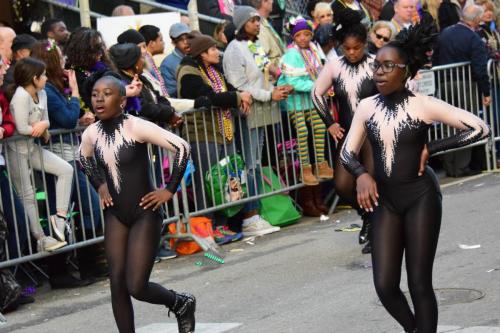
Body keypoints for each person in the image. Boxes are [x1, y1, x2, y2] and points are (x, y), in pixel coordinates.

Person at [339, 22, 489, 332]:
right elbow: (346, 153)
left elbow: (480, 128)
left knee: (419, 283)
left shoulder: (424, 105)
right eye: (376, 65)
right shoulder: (366, 107)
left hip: (421, 197)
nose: (378, 72)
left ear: (406, 71)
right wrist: (362, 175)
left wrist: (431, 147)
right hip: (386, 201)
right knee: (385, 285)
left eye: (388, 66)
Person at [79, 74, 195, 333]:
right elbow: (83, 159)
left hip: (145, 213)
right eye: (95, 93)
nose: (99, 98)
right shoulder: (91, 133)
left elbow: (182, 148)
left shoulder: (136, 126)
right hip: (116, 215)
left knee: (136, 286)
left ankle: (180, 303)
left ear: (122, 101)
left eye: (107, 93)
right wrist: (100, 184)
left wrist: (168, 190)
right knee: (117, 284)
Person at [312, 9, 378, 253]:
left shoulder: (375, 63)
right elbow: (316, 93)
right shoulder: (334, 65)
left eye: (357, 48)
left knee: (371, 182)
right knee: (342, 185)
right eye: (347, 48)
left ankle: (376, 230)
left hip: (373, 133)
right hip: (349, 133)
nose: (351, 53)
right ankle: (368, 217)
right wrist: (329, 121)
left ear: (364, 44)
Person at [177, 33, 251, 242]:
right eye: (212, 49)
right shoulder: (189, 70)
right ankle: (206, 227)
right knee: (206, 182)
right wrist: (238, 97)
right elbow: (208, 98)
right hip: (202, 133)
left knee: (225, 180)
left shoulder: (213, 69)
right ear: (202, 53)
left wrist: (240, 95)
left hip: (222, 131)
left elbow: (228, 89)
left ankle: (221, 224)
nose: (217, 52)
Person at [223, 6, 288, 236]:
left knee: (256, 163)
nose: (258, 24)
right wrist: (270, 95)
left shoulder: (254, 45)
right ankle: (249, 218)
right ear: (241, 24)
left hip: (259, 111)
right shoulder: (234, 49)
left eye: (258, 20)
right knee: (249, 166)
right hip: (246, 113)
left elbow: (265, 71)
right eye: (252, 21)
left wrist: (279, 80)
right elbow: (240, 87)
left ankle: (255, 214)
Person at [7, 57, 74, 252]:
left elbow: (44, 123)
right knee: (28, 196)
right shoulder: (20, 96)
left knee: (65, 169)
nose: (46, 78)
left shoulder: (42, 93)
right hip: (16, 152)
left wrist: (43, 125)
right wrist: (39, 127)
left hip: (31, 148)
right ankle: (41, 238)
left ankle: (60, 217)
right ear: (33, 78)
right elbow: (22, 127)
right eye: (43, 75)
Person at [433, 5, 491, 177]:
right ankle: (461, 167)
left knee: (448, 125)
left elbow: (435, 58)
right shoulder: (473, 38)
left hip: (444, 83)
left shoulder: (445, 33)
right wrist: (486, 92)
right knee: (467, 123)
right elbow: (480, 68)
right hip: (465, 84)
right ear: (475, 20)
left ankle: (450, 166)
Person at [279, 16, 333, 186]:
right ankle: (305, 169)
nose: (303, 38)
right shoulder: (291, 54)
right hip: (294, 101)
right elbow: (293, 81)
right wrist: (318, 86)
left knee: (319, 126)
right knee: (302, 131)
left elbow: (321, 71)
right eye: (299, 35)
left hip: (309, 100)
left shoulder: (314, 51)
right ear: (293, 38)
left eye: (306, 34)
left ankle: (321, 164)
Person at [249, 0, 286, 69]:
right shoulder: (258, 27)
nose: (272, 1)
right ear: (264, 2)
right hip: (275, 76)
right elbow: (261, 60)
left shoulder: (264, 21)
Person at [160, 23, 192, 97]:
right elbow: (171, 93)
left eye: (188, 38)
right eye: (181, 39)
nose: (186, 42)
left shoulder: (196, 55)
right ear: (174, 42)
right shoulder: (167, 64)